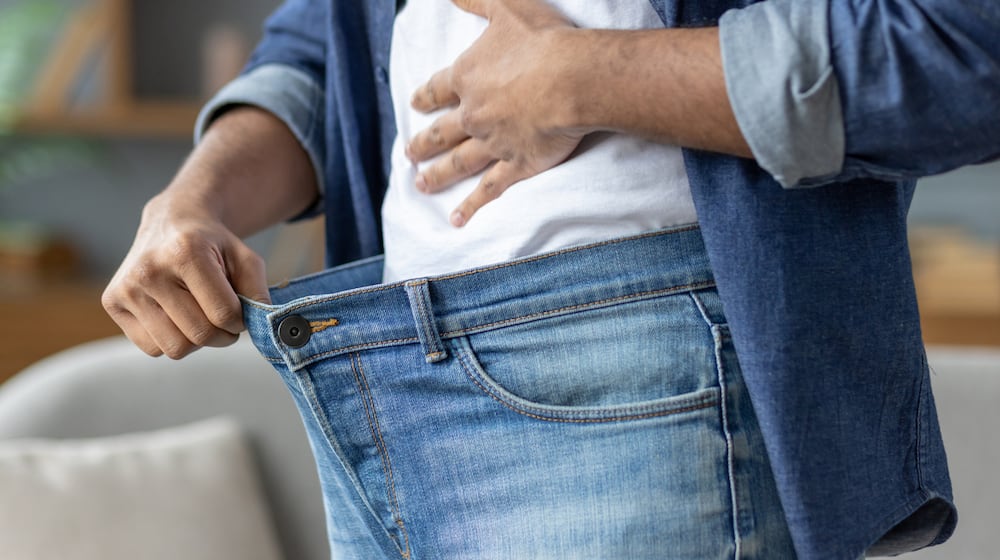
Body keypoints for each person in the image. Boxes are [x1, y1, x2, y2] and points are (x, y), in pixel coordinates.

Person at [102, 0, 1000, 558]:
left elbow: (963, 43)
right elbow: (328, 43)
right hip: (381, 366)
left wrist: (584, 79)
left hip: (641, 367)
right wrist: (197, 197)